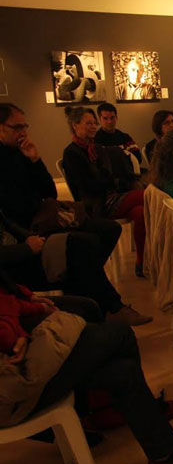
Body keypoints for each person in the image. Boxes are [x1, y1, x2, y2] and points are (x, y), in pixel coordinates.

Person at [0, 275, 173, 464]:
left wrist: (25, 302)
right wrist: (18, 323)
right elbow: (6, 335)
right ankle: (122, 412)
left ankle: (157, 449)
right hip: (11, 391)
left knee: (123, 372)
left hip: (16, 365)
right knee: (120, 334)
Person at [0, 103, 150, 326]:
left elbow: (49, 192)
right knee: (85, 243)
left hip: (46, 218)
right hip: (32, 229)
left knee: (109, 229)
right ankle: (112, 306)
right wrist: (26, 237)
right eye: (17, 127)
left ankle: (85, 284)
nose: (23, 132)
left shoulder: (22, 153)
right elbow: (12, 211)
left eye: (25, 126)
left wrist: (35, 161)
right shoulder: (72, 153)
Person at [61, 106, 147, 276]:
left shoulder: (95, 148)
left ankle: (141, 261)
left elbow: (108, 177)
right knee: (147, 195)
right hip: (95, 204)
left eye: (94, 123)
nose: (93, 126)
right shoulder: (72, 153)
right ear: (75, 125)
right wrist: (112, 181)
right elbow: (89, 187)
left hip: (109, 197)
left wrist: (113, 181)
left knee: (141, 212)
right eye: (88, 123)